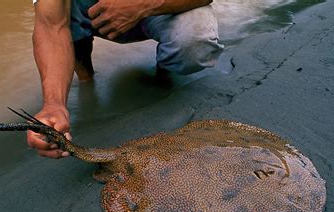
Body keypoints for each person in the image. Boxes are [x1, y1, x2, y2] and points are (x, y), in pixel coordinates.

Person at [28, 0, 223, 158]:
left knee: (195, 41)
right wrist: (54, 103)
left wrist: (141, 4)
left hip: (161, 7)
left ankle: (164, 71)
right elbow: (51, 24)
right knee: (62, 8)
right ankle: (87, 79)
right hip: (95, 11)